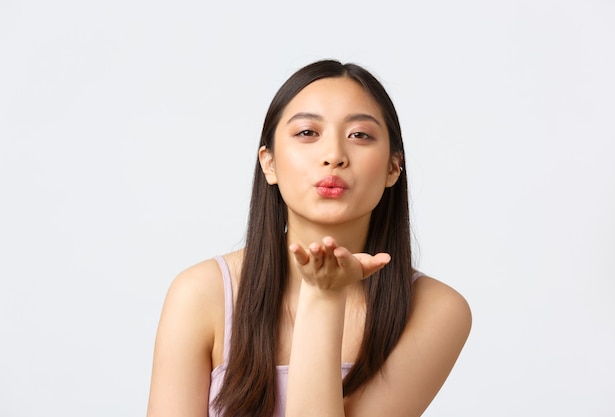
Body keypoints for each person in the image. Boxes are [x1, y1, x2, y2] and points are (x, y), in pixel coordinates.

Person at [146, 59, 472, 417]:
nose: (333, 156)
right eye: (307, 133)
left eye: (360, 135)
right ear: (268, 163)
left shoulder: (436, 309)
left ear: (393, 167)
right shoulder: (200, 293)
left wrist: (324, 295)